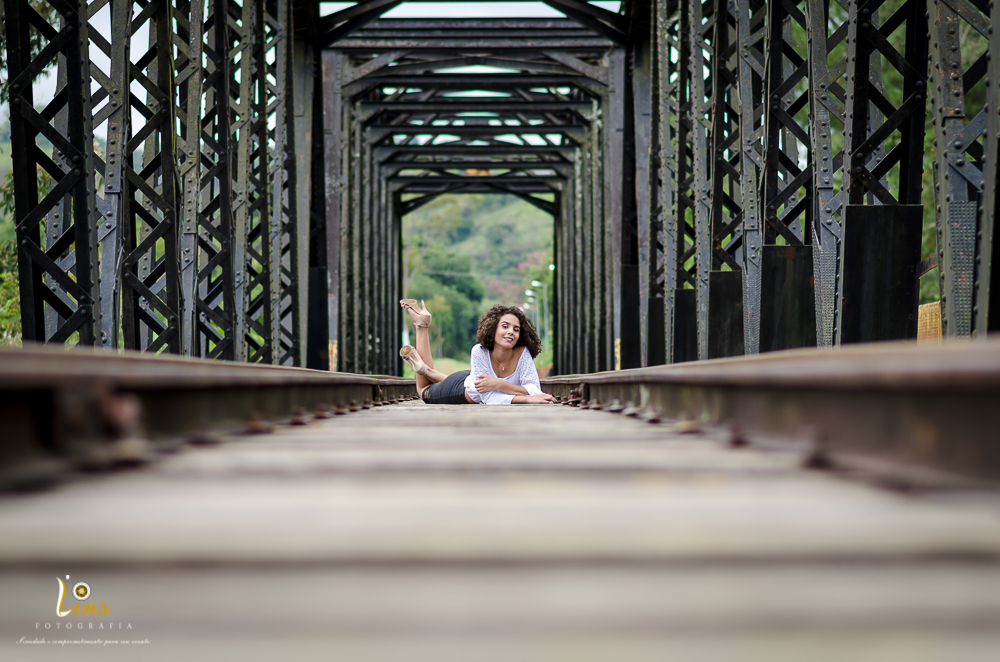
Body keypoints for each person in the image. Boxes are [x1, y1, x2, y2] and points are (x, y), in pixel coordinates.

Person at [399, 299, 556, 405]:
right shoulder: (479, 351)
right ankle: (421, 326)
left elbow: (535, 389)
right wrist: (526, 398)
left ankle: (425, 369)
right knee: (423, 390)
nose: (511, 332)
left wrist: (497, 384)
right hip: (458, 390)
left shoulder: (522, 353)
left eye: (516, 329)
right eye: (505, 326)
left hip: (469, 379)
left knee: (473, 383)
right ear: (493, 328)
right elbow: (487, 397)